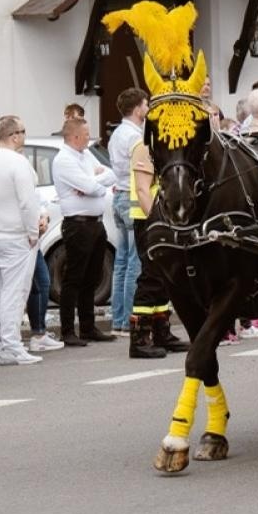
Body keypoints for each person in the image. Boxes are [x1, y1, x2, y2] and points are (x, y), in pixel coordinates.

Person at [0, 115, 44, 366]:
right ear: (14, 135)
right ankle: (11, 345)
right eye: (23, 131)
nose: (24, 136)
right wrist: (33, 232)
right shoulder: (18, 162)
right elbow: (27, 202)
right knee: (15, 291)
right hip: (16, 235)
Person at [53, 116, 116, 347]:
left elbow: (109, 175)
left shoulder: (85, 154)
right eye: (86, 134)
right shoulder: (64, 160)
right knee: (74, 278)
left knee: (92, 276)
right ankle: (68, 330)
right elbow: (92, 187)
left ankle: (88, 326)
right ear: (75, 136)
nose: (89, 137)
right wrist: (93, 183)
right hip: (77, 225)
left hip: (96, 223)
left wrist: (92, 182)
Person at [127, 137, 187, 358]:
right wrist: (156, 221)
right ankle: (139, 338)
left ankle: (161, 332)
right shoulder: (144, 147)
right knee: (151, 277)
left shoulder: (163, 145)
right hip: (150, 220)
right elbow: (143, 190)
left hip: (164, 220)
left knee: (163, 278)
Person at [109, 88, 148, 334]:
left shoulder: (117, 133)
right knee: (135, 261)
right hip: (132, 197)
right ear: (137, 109)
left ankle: (118, 319)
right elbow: (141, 168)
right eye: (146, 105)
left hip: (120, 196)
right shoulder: (135, 137)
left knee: (121, 261)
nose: (147, 109)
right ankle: (128, 319)